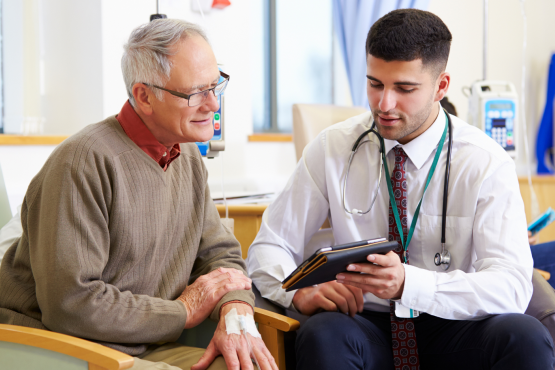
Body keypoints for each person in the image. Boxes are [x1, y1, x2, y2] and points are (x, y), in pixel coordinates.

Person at [247, 9, 554, 370]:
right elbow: (269, 246)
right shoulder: (333, 148)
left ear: (441, 86)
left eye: (404, 88)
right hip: (366, 324)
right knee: (323, 332)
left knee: (524, 336)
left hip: (455, 324)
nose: (384, 104)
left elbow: (511, 286)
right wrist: (299, 292)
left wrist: (409, 283)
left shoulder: (485, 162)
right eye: (375, 84)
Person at [0, 19, 278, 370]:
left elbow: (221, 257)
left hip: (143, 344)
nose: (213, 104)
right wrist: (183, 311)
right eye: (196, 93)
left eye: (216, 85)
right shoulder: (83, 162)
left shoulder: (187, 154)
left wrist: (235, 311)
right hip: (56, 346)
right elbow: (71, 305)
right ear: (145, 96)